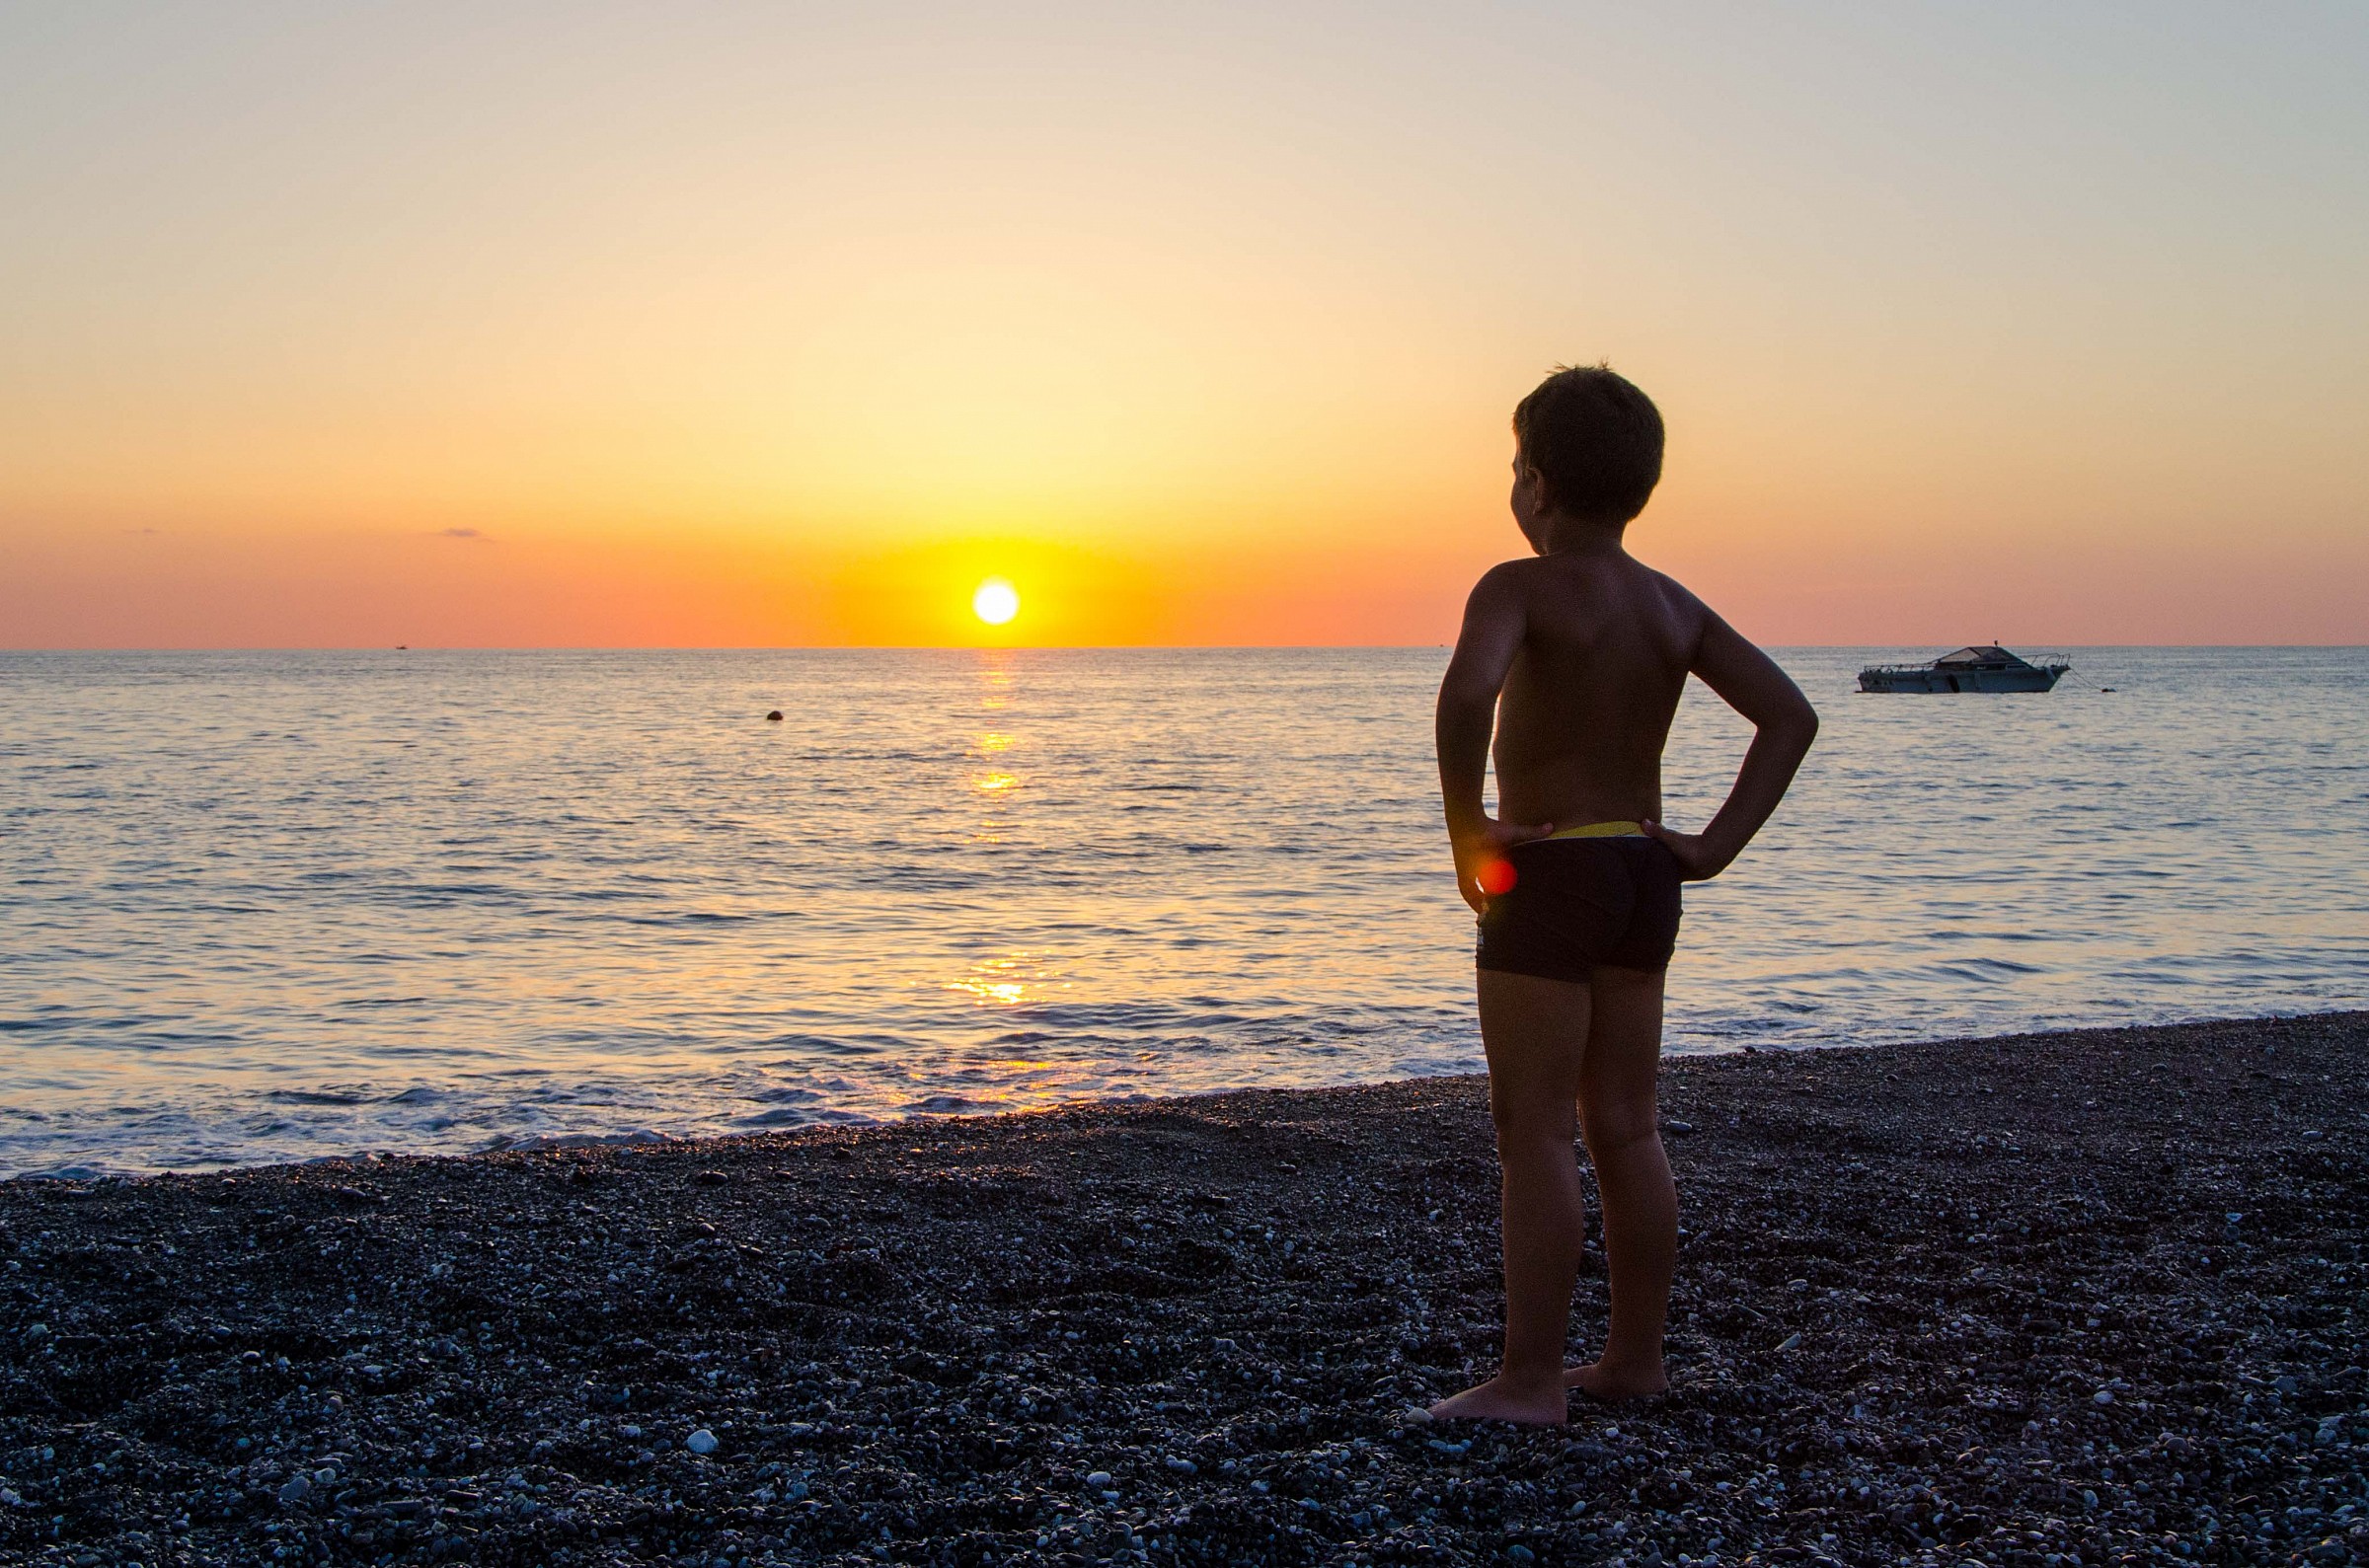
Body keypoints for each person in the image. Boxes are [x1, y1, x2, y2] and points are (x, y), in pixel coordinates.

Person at [1428, 365, 1818, 1424]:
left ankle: (1530, 1377)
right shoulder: (1672, 605)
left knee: (1537, 1132)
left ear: (1539, 484)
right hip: (1643, 872)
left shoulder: (1517, 585)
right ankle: (1635, 1359)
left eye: (1517, 466)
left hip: (1549, 871)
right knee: (1628, 1125)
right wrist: (1714, 846)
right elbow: (1789, 716)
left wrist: (1469, 826)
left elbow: (1466, 696)